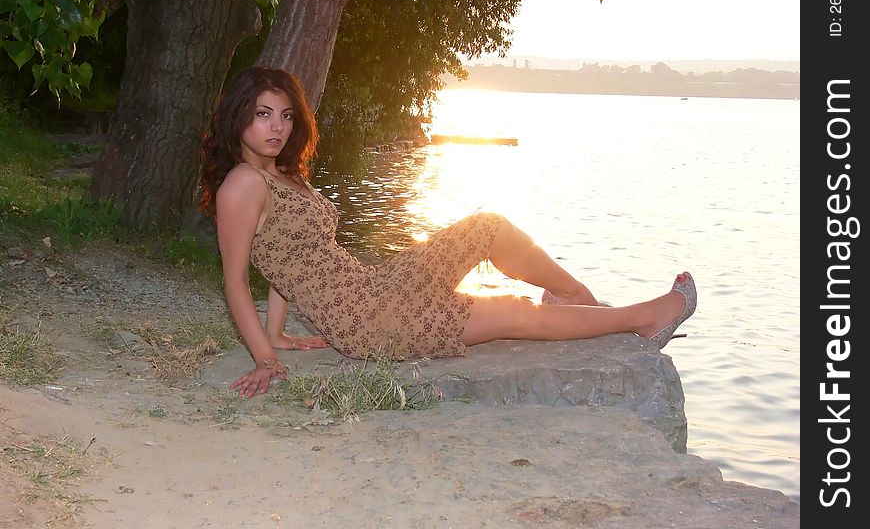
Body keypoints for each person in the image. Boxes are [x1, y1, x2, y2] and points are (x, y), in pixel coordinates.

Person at [199, 67, 697, 398]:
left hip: (375, 288)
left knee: (485, 227)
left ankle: (578, 299)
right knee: (511, 313)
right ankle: (643, 319)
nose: (277, 127)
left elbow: (287, 258)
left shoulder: (283, 175)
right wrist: (266, 357)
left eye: (285, 115)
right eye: (263, 114)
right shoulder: (241, 185)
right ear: (239, 115)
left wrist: (279, 332)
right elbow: (236, 280)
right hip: (370, 324)